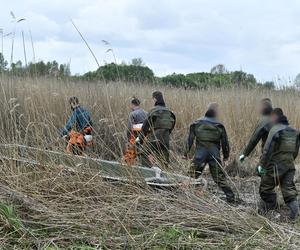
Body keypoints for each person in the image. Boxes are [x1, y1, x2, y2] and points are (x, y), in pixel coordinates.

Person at [184, 103, 235, 203]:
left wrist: (185, 153)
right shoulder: (219, 125)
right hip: (214, 156)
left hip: (199, 156)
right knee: (219, 179)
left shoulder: (196, 123)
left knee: (190, 176)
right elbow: (225, 143)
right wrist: (226, 156)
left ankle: (185, 197)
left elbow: (190, 140)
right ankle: (231, 198)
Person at [257, 108, 299, 220]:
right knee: (289, 192)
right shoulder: (294, 131)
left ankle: (268, 211)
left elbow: (267, 150)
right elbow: (295, 151)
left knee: (265, 188)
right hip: (290, 166)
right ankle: (294, 215)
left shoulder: (275, 130)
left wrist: (261, 165)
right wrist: (289, 161)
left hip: (275, 166)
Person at [138, 91, 176, 168]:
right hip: (165, 140)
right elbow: (172, 126)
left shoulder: (153, 111)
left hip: (154, 138)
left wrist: (141, 140)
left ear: (155, 99)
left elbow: (144, 127)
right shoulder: (169, 112)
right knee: (164, 159)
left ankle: (147, 171)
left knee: (143, 153)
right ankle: (164, 174)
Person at [124, 97, 147, 165]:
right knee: (143, 153)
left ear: (132, 104)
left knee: (130, 153)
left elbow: (129, 128)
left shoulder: (133, 114)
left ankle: (130, 166)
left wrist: (128, 139)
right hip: (145, 137)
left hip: (135, 136)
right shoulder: (146, 113)